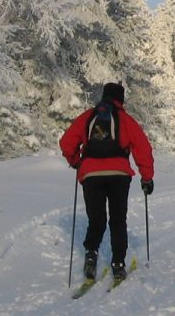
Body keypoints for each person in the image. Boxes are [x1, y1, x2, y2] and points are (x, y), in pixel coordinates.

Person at [59, 82, 154, 286]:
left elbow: (66, 143)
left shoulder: (88, 117)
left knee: (97, 218)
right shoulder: (126, 120)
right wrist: (147, 178)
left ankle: (91, 254)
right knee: (118, 219)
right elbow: (143, 148)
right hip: (119, 174)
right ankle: (118, 264)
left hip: (91, 175)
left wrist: (76, 161)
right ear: (121, 100)